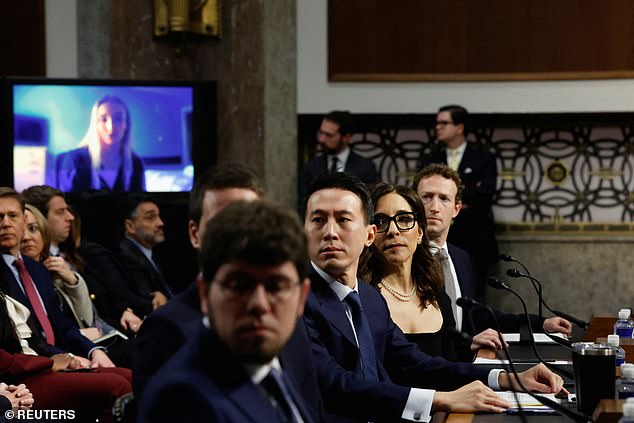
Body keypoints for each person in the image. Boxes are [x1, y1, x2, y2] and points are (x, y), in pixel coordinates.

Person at [301, 172, 565, 422]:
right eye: (318, 220)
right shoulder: (296, 302)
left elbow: (418, 364)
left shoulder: (368, 298)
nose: (330, 232)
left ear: (369, 234)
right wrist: (441, 399)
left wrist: (509, 378)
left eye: (344, 219)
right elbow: (336, 384)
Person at [133, 163, 323, 423]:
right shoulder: (178, 393)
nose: (259, 304)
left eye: (276, 286)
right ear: (205, 294)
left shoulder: (288, 325)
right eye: (239, 285)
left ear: (301, 297)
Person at [413, 164, 572, 342]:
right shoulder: (405, 260)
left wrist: (541, 324)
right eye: (426, 197)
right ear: (415, 205)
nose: (434, 207)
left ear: (456, 209)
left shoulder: (461, 258)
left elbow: (479, 316)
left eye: (444, 198)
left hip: (465, 363)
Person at [0, 187, 115, 368]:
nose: (6, 223)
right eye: (0, 217)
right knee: (118, 384)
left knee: (123, 375)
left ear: (23, 219)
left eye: (12, 216)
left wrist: (94, 351)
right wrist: (67, 357)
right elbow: (25, 338)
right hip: (33, 368)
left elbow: (63, 325)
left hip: (63, 358)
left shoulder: (37, 270)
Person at [359, 183, 459, 360]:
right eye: (381, 221)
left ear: (420, 232)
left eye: (404, 219)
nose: (393, 231)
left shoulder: (438, 296)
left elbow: (451, 367)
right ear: (370, 234)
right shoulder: (361, 298)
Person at [418, 105, 498, 298]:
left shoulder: (483, 158)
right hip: (437, 238)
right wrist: (469, 191)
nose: (438, 127)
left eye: (444, 123)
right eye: (437, 123)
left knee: (473, 294)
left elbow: (486, 193)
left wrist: (458, 196)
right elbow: (420, 190)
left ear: (460, 127)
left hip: (475, 237)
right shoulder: (430, 158)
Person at [56, 95, 145, 192]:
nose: (110, 127)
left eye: (118, 119)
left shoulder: (136, 163)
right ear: (95, 124)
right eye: (103, 119)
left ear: (126, 124)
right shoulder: (74, 160)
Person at [298, 110, 378, 204]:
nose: (322, 139)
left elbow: (370, 203)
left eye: (329, 135)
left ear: (346, 138)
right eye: (321, 133)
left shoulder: (365, 168)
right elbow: (303, 203)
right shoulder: (311, 167)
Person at [118, 195, 172, 310]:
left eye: (159, 216)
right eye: (150, 218)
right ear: (130, 226)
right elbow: (148, 299)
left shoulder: (148, 252)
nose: (160, 223)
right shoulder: (127, 256)